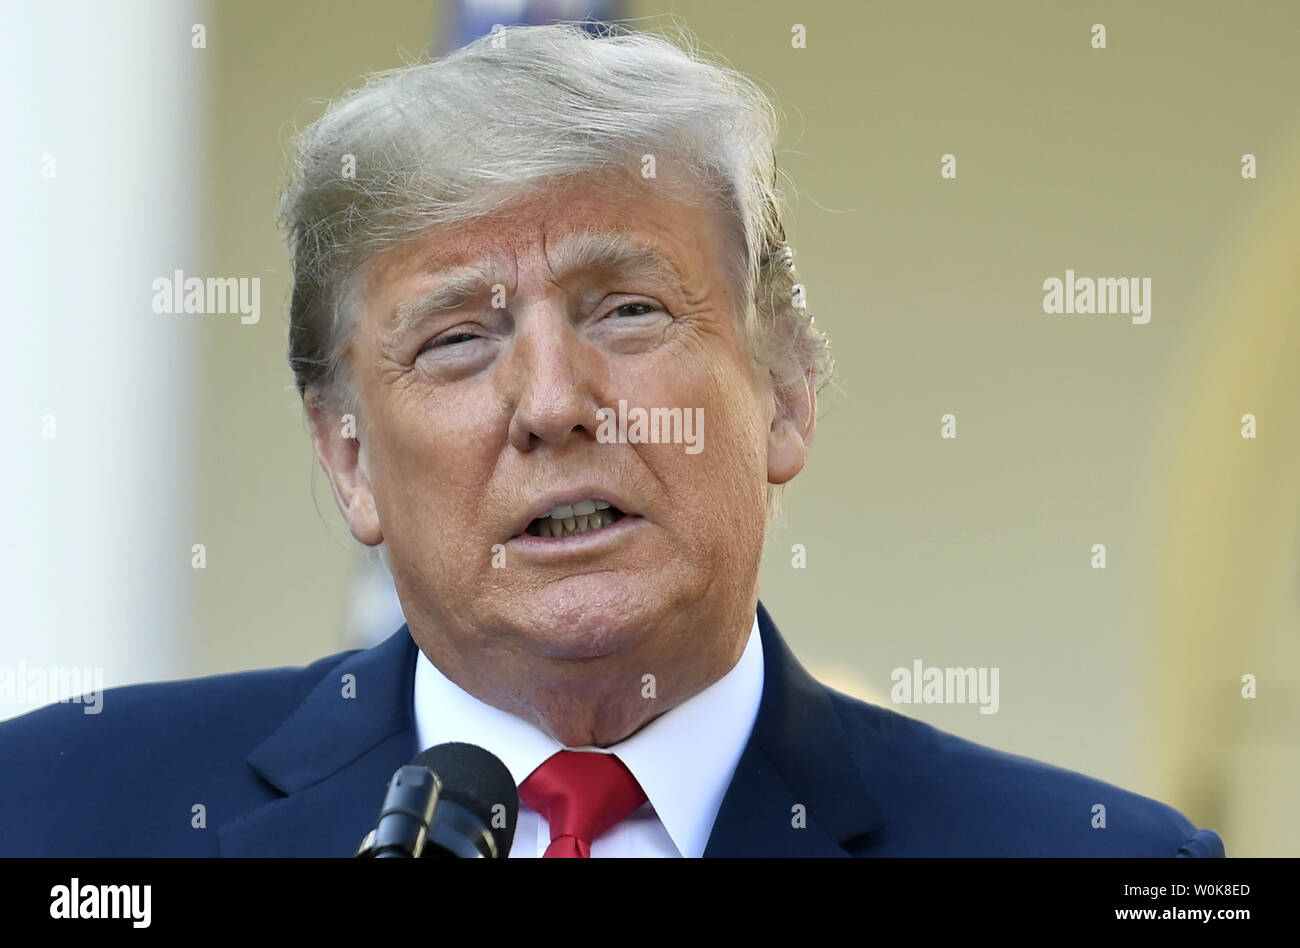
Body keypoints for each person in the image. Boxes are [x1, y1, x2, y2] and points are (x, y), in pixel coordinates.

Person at [0, 23, 1223, 858]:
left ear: (787, 391)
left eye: (626, 309)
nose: (550, 402)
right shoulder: (58, 816)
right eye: (456, 339)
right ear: (350, 459)